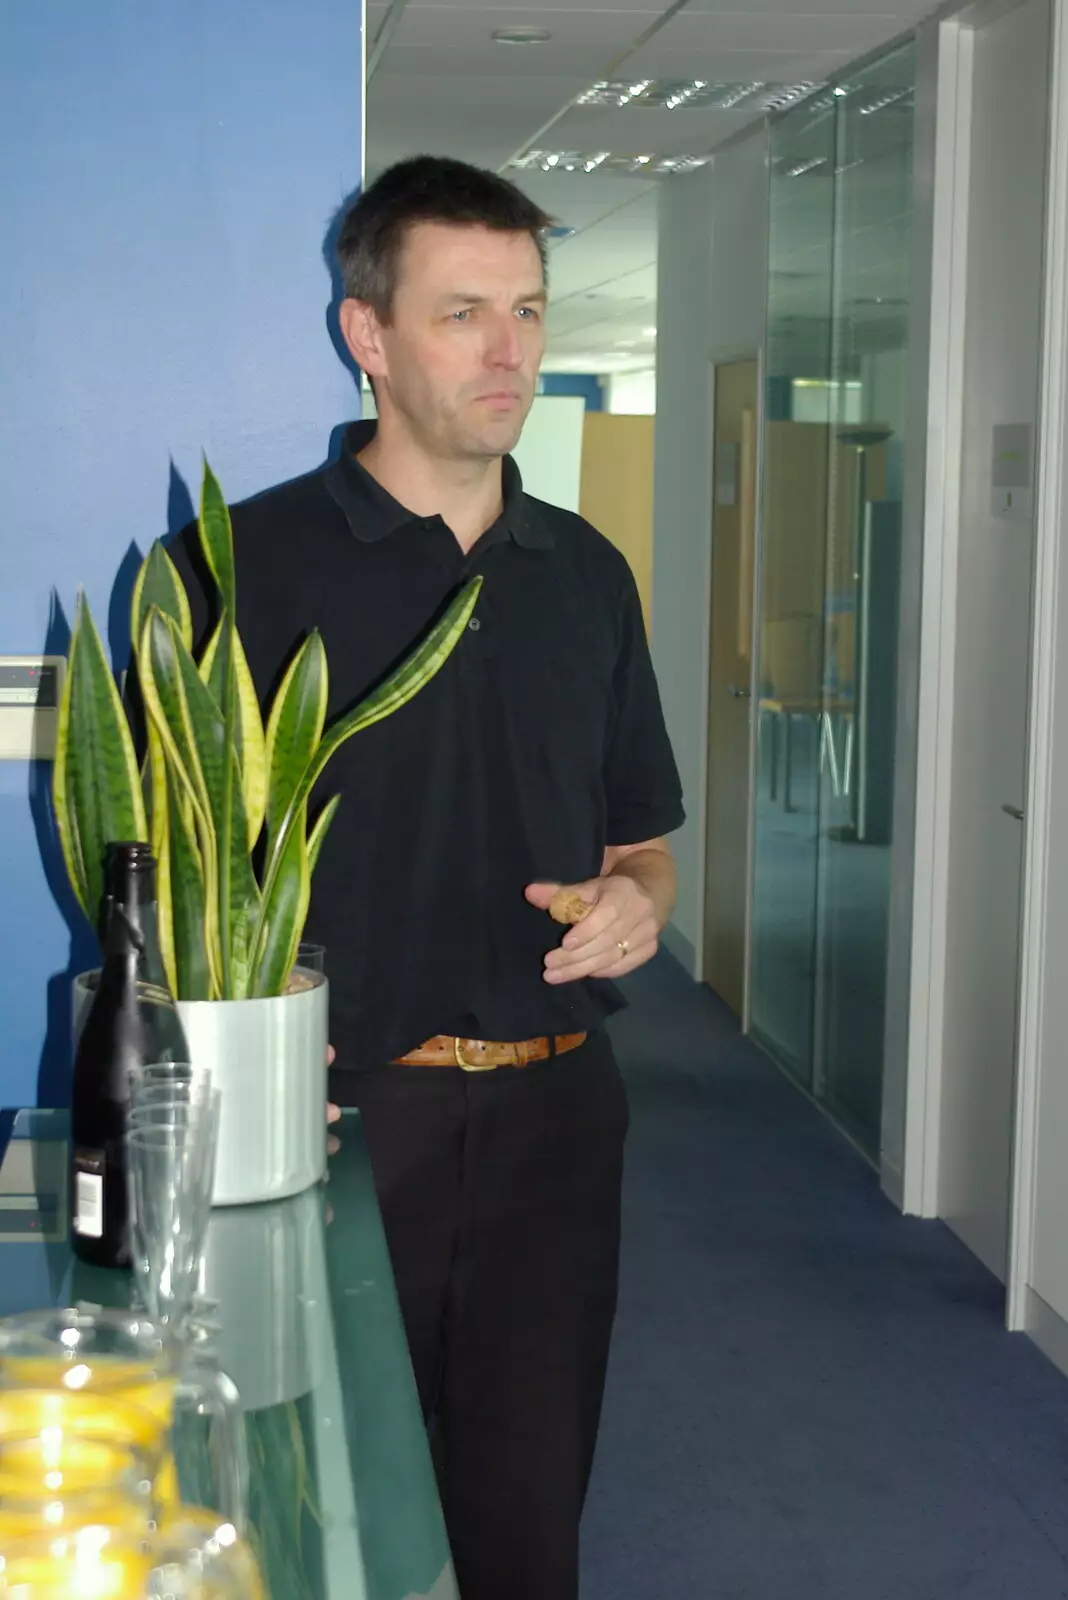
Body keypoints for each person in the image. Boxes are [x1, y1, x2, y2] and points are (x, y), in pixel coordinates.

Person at [176, 155, 683, 1600]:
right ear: (369, 334)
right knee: (306, 1516)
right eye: (465, 312)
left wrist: (641, 894)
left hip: (554, 1117)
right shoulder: (238, 571)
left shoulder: (585, 573)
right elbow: (157, 872)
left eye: (527, 308)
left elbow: (636, 837)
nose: (511, 350)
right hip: (335, 1134)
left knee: (528, 1519)